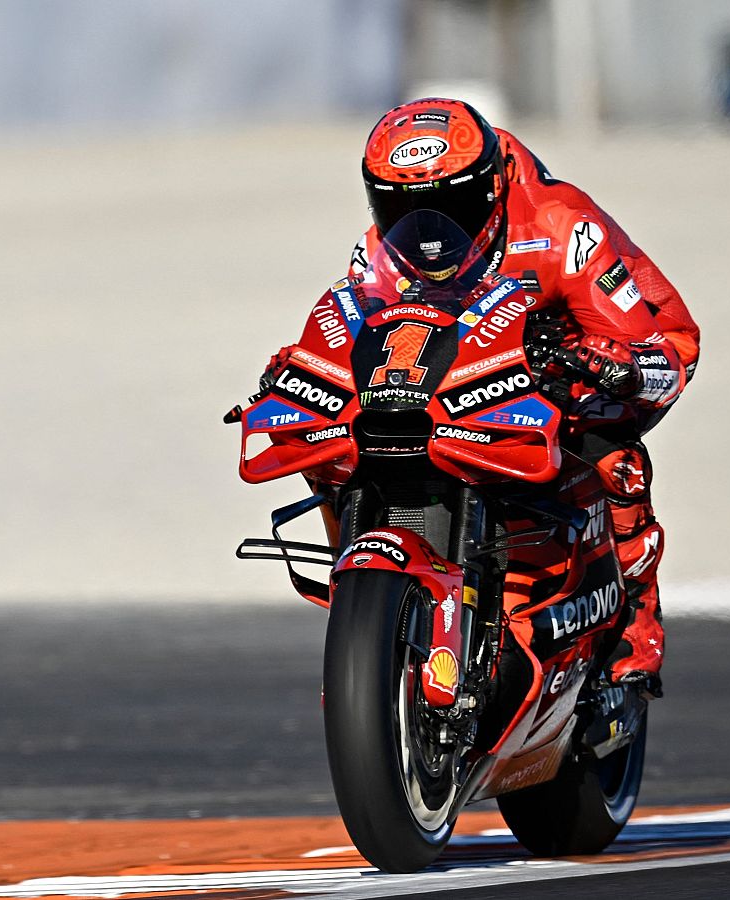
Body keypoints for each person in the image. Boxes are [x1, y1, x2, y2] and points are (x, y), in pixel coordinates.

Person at [276, 98, 698, 698]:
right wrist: (298, 369)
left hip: (563, 377)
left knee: (611, 450)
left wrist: (612, 365)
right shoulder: (378, 249)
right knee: (329, 438)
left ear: (493, 189)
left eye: (449, 209)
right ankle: (362, 598)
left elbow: (666, 345)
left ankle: (631, 634)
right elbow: (348, 327)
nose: (425, 237)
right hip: (452, 387)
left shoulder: (562, 229)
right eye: (401, 210)